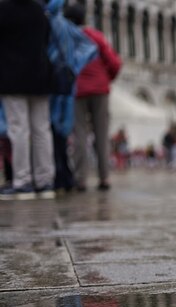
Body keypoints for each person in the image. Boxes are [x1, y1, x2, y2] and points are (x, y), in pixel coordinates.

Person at [0, 0, 55, 200]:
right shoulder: (39, 11)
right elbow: (47, 38)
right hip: (39, 76)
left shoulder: (3, 10)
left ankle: (23, 182)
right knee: (42, 129)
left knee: (19, 130)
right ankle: (45, 181)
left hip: (12, 77)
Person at [65, 3, 122, 192]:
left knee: (79, 134)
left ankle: (81, 179)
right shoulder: (95, 36)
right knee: (101, 134)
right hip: (99, 89)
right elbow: (114, 62)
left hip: (77, 89)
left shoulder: (67, 39)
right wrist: (106, 79)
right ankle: (104, 177)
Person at [50, 0, 98, 192]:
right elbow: (91, 49)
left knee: (55, 129)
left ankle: (62, 174)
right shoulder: (70, 29)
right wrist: (74, 67)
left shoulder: (58, 24)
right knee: (61, 130)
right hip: (66, 82)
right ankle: (65, 175)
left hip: (55, 80)